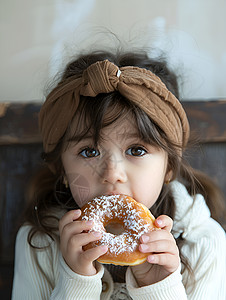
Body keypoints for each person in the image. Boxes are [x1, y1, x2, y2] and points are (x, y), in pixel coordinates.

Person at [12, 50, 226, 300]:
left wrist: (159, 287)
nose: (112, 174)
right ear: (62, 169)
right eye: (89, 151)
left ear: (169, 167)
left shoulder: (204, 243)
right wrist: (76, 282)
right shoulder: (39, 242)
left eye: (136, 150)